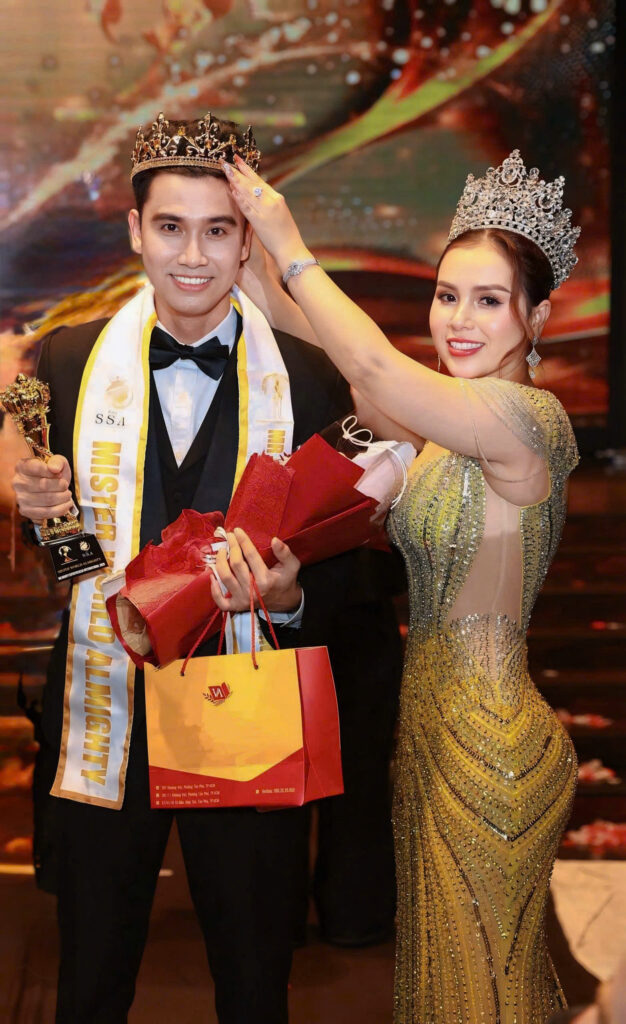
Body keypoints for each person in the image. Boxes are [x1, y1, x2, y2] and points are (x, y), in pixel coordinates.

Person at [10, 112, 401, 1023]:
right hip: (105, 712)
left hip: (247, 704)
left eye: (218, 230)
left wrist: (292, 594)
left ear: (246, 240)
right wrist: (39, 511)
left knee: (256, 980)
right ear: (135, 230)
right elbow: (66, 557)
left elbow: (351, 556)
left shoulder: (311, 375)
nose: (193, 256)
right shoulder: (67, 362)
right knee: (88, 981)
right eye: (171, 227)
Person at [223, 149, 581, 1023]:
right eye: (447, 295)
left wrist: (291, 243)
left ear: (537, 316)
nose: (459, 320)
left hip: (490, 747)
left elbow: (380, 370)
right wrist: (250, 260)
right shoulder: (448, 424)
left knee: (483, 998)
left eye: (489, 300)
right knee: (451, 992)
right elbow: (347, 366)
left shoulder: (529, 421)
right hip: (428, 737)